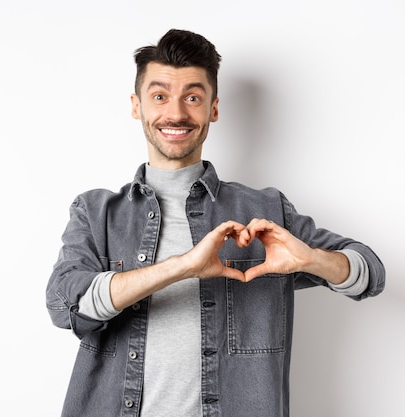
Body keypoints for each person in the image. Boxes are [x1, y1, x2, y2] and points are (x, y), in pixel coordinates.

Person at [46, 28, 385, 417]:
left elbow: (370, 273)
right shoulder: (97, 212)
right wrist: (184, 267)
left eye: (193, 97)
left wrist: (311, 260)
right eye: (159, 96)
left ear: (214, 109)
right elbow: (64, 303)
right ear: (136, 105)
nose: (175, 113)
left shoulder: (266, 210)